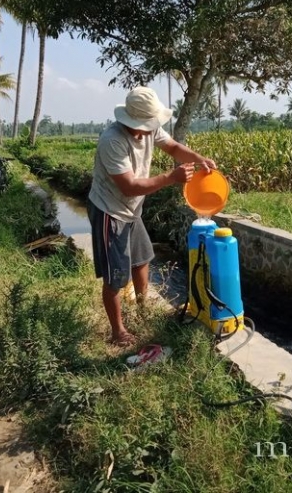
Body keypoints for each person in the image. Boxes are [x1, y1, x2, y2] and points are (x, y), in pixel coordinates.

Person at [87, 86, 217, 347]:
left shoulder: (150, 128)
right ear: (134, 121)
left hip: (133, 209)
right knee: (116, 275)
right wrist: (171, 178)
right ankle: (118, 331)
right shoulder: (113, 140)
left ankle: (144, 309)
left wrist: (200, 159)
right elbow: (129, 186)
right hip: (109, 210)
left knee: (143, 258)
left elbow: (174, 147)